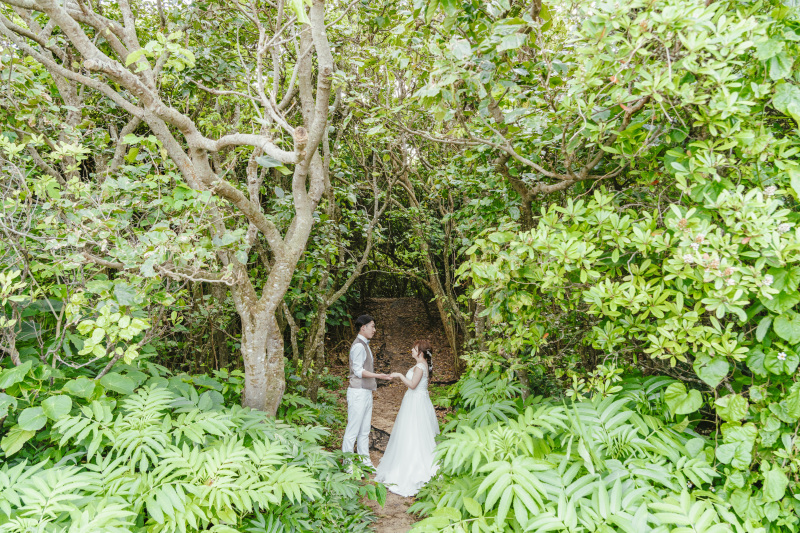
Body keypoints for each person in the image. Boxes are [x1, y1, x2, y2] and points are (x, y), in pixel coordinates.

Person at [375, 339, 440, 497]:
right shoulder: (423, 365)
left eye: (415, 348)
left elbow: (412, 385)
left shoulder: (419, 366)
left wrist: (398, 375)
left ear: (421, 352)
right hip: (418, 401)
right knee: (416, 432)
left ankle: (413, 468)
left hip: (416, 403)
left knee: (413, 432)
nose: (411, 350)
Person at [342, 314, 391, 471]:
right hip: (357, 393)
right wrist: (379, 376)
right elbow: (357, 371)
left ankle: (365, 462)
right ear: (363, 327)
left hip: (365, 392)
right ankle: (347, 465)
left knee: (364, 430)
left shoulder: (365, 344)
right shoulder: (358, 346)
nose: (374, 330)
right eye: (372, 326)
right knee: (352, 430)